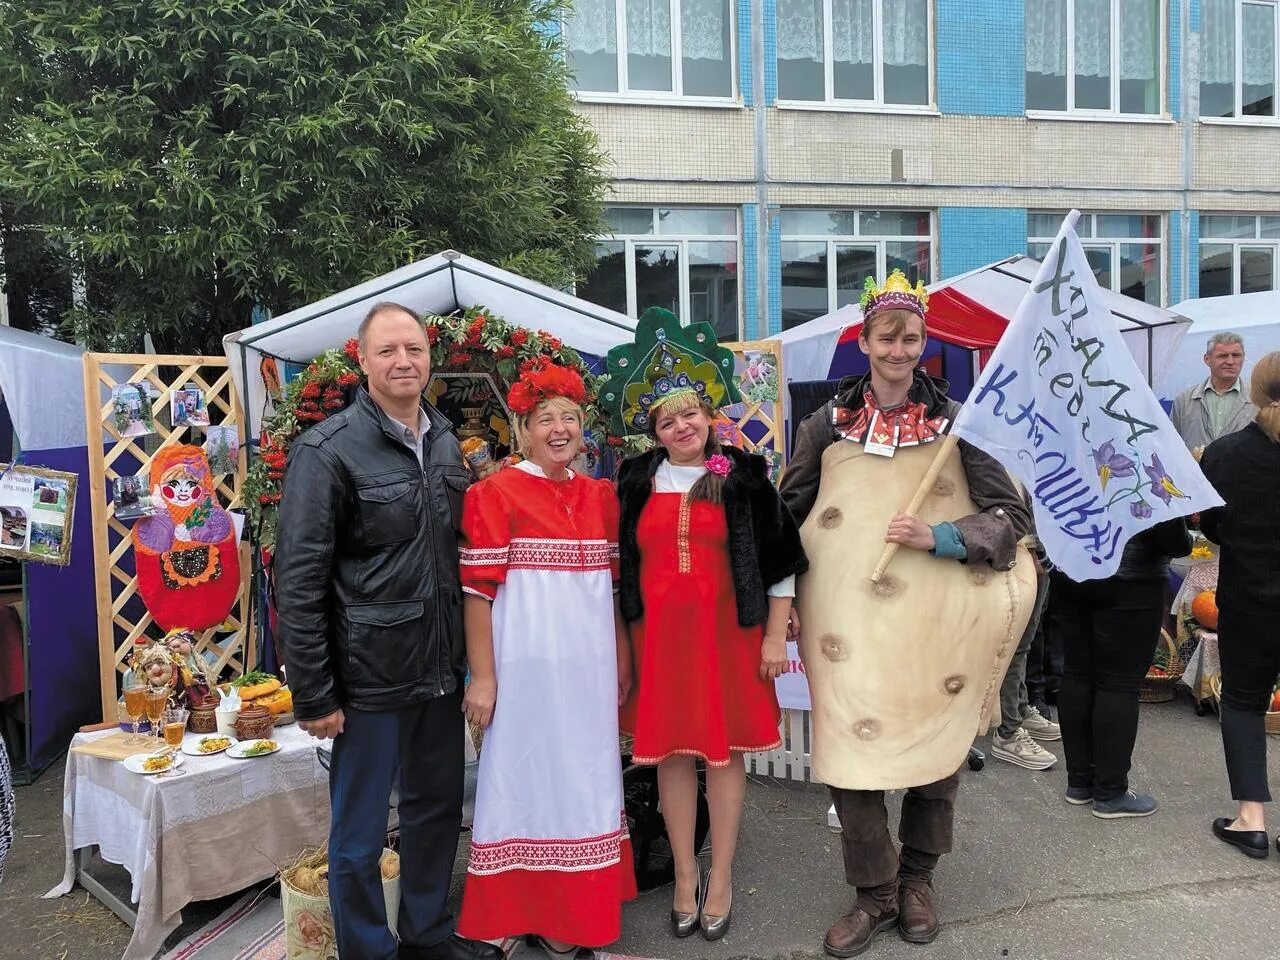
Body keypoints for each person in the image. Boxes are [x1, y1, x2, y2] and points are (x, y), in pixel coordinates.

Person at [780, 271, 1034, 957]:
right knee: (846, 753)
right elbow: (785, 517)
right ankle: (875, 892)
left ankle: (918, 878)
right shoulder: (823, 425)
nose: (898, 349)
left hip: (938, 621)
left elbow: (1012, 519)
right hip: (848, 624)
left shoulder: (958, 426)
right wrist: (779, 604)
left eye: (911, 338)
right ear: (863, 342)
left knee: (936, 754)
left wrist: (942, 537)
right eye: (886, 337)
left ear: (924, 345)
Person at [273, 302, 499, 960]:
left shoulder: (444, 442)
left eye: (414, 349)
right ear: (362, 361)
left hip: (435, 667)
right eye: (388, 351)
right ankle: (370, 950)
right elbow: (300, 580)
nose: (403, 361)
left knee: (435, 811)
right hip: (366, 676)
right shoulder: (327, 450)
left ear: (431, 359)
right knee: (361, 832)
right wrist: (315, 694)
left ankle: (427, 937)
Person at [606, 308, 808, 943]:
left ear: (709, 416)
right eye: (666, 419)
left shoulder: (744, 475)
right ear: (654, 431)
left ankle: (721, 875)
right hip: (658, 642)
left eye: (689, 412)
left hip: (729, 637)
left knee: (722, 756)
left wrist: (776, 633)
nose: (681, 425)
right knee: (668, 755)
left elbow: (781, 562)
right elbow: (618, 567)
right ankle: (685, 875)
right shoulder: (633, 480)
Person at [456, 359, 637, 958]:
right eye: (545, 419)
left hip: (585, 672)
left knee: (583, 781)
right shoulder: (493, 493)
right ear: (524, 428)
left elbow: (610, 593)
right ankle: (513, 911)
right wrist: (483, 677)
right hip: (524, 670)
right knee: (520, 778)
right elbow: (477, 594)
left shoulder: (602, 498)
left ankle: (573, 917)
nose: (559, 428)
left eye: (571, 418)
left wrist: (620, 659)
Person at [1050, 518, 1191, 819]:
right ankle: (1110, 791)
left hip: (1072, 568)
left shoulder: (1071, 466)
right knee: (1118, 683)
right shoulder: (1146, 467)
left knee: (1077, 672)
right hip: (1131, 581)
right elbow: (1173, 539)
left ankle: (1079, 782)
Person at [1199, 351, 1280, 859]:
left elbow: (1211, 526)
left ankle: (1251, 818)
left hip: (1250, 595)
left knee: (1244, 704)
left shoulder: (1226, 453)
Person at [990, 533, 1060, 771]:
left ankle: (1020, 710)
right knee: (1012, 645)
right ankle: (1008, 730)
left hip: (1038, 550)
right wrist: (1031, 551)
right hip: (1019, 550)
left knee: (1024, 642)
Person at [1170, 333, 1257, 454]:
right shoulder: (1184, 401)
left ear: (1244, 357)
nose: (1230, 361)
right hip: (1197, 472)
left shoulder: (1259, 399)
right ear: (1207, 359)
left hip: (1243, 472)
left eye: (1236, 355)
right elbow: (1173, 445)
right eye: (1222, 356)